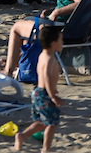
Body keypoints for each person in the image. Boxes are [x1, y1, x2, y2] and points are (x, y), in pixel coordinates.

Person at [15, 24, 65, 153]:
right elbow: (48, 77)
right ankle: (46, 149)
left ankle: (23, 135)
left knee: (42, 122)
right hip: (45, 94)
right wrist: (53, 96)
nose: (62, 43)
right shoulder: (50, 59)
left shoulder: (42, 55)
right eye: (61, 40)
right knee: (52, 123)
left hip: (38, 92)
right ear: (54, 43)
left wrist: (53, 90)